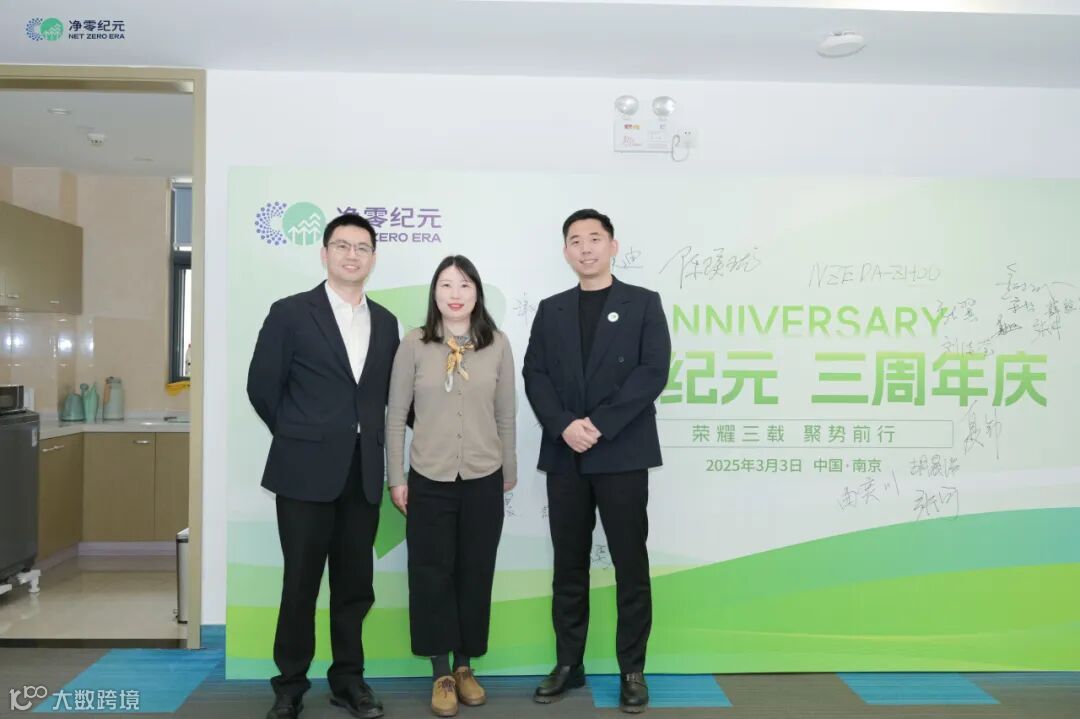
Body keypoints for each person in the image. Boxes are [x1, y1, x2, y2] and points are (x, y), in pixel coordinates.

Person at [247, 213, 399, 719]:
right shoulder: (291, 312)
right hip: (303, 472)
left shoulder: (387, 322)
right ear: (324, 253)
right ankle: (290, 685)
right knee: (301, 583)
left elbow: (385, 396)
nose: (352, 255)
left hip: (362, 472)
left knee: (355, 586)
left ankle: (348, 680)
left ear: (373, 258)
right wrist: (301, 435)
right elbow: (262, 386)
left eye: (362, 247)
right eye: (342, 245)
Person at [522, 209, 671, 714]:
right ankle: (569, 663)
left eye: (594, 238)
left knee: (630, 563)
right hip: (566, 453)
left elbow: (652, 371)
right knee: (569, 565)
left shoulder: (643, 303)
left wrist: (600, 425)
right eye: (575, 240)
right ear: (565, 251)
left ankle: (632, 669)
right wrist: (564, 424)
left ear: (613, 246)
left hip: (622, 451)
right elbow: (535, 373)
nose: (585, 248)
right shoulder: (552, 309)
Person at [386, 255, 517, 718]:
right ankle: (440, 671)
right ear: (435, 293)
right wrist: (396, 478)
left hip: (483, 477)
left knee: (475, 572)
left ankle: (465, 666)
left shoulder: (497, 344)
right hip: (429, 477)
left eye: (464, 285)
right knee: (430, 573)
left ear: (477, 293)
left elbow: (506, 414)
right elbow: (395, 417)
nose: (455, 294)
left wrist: (508, 471)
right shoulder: (414, 344)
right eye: (446, 285)